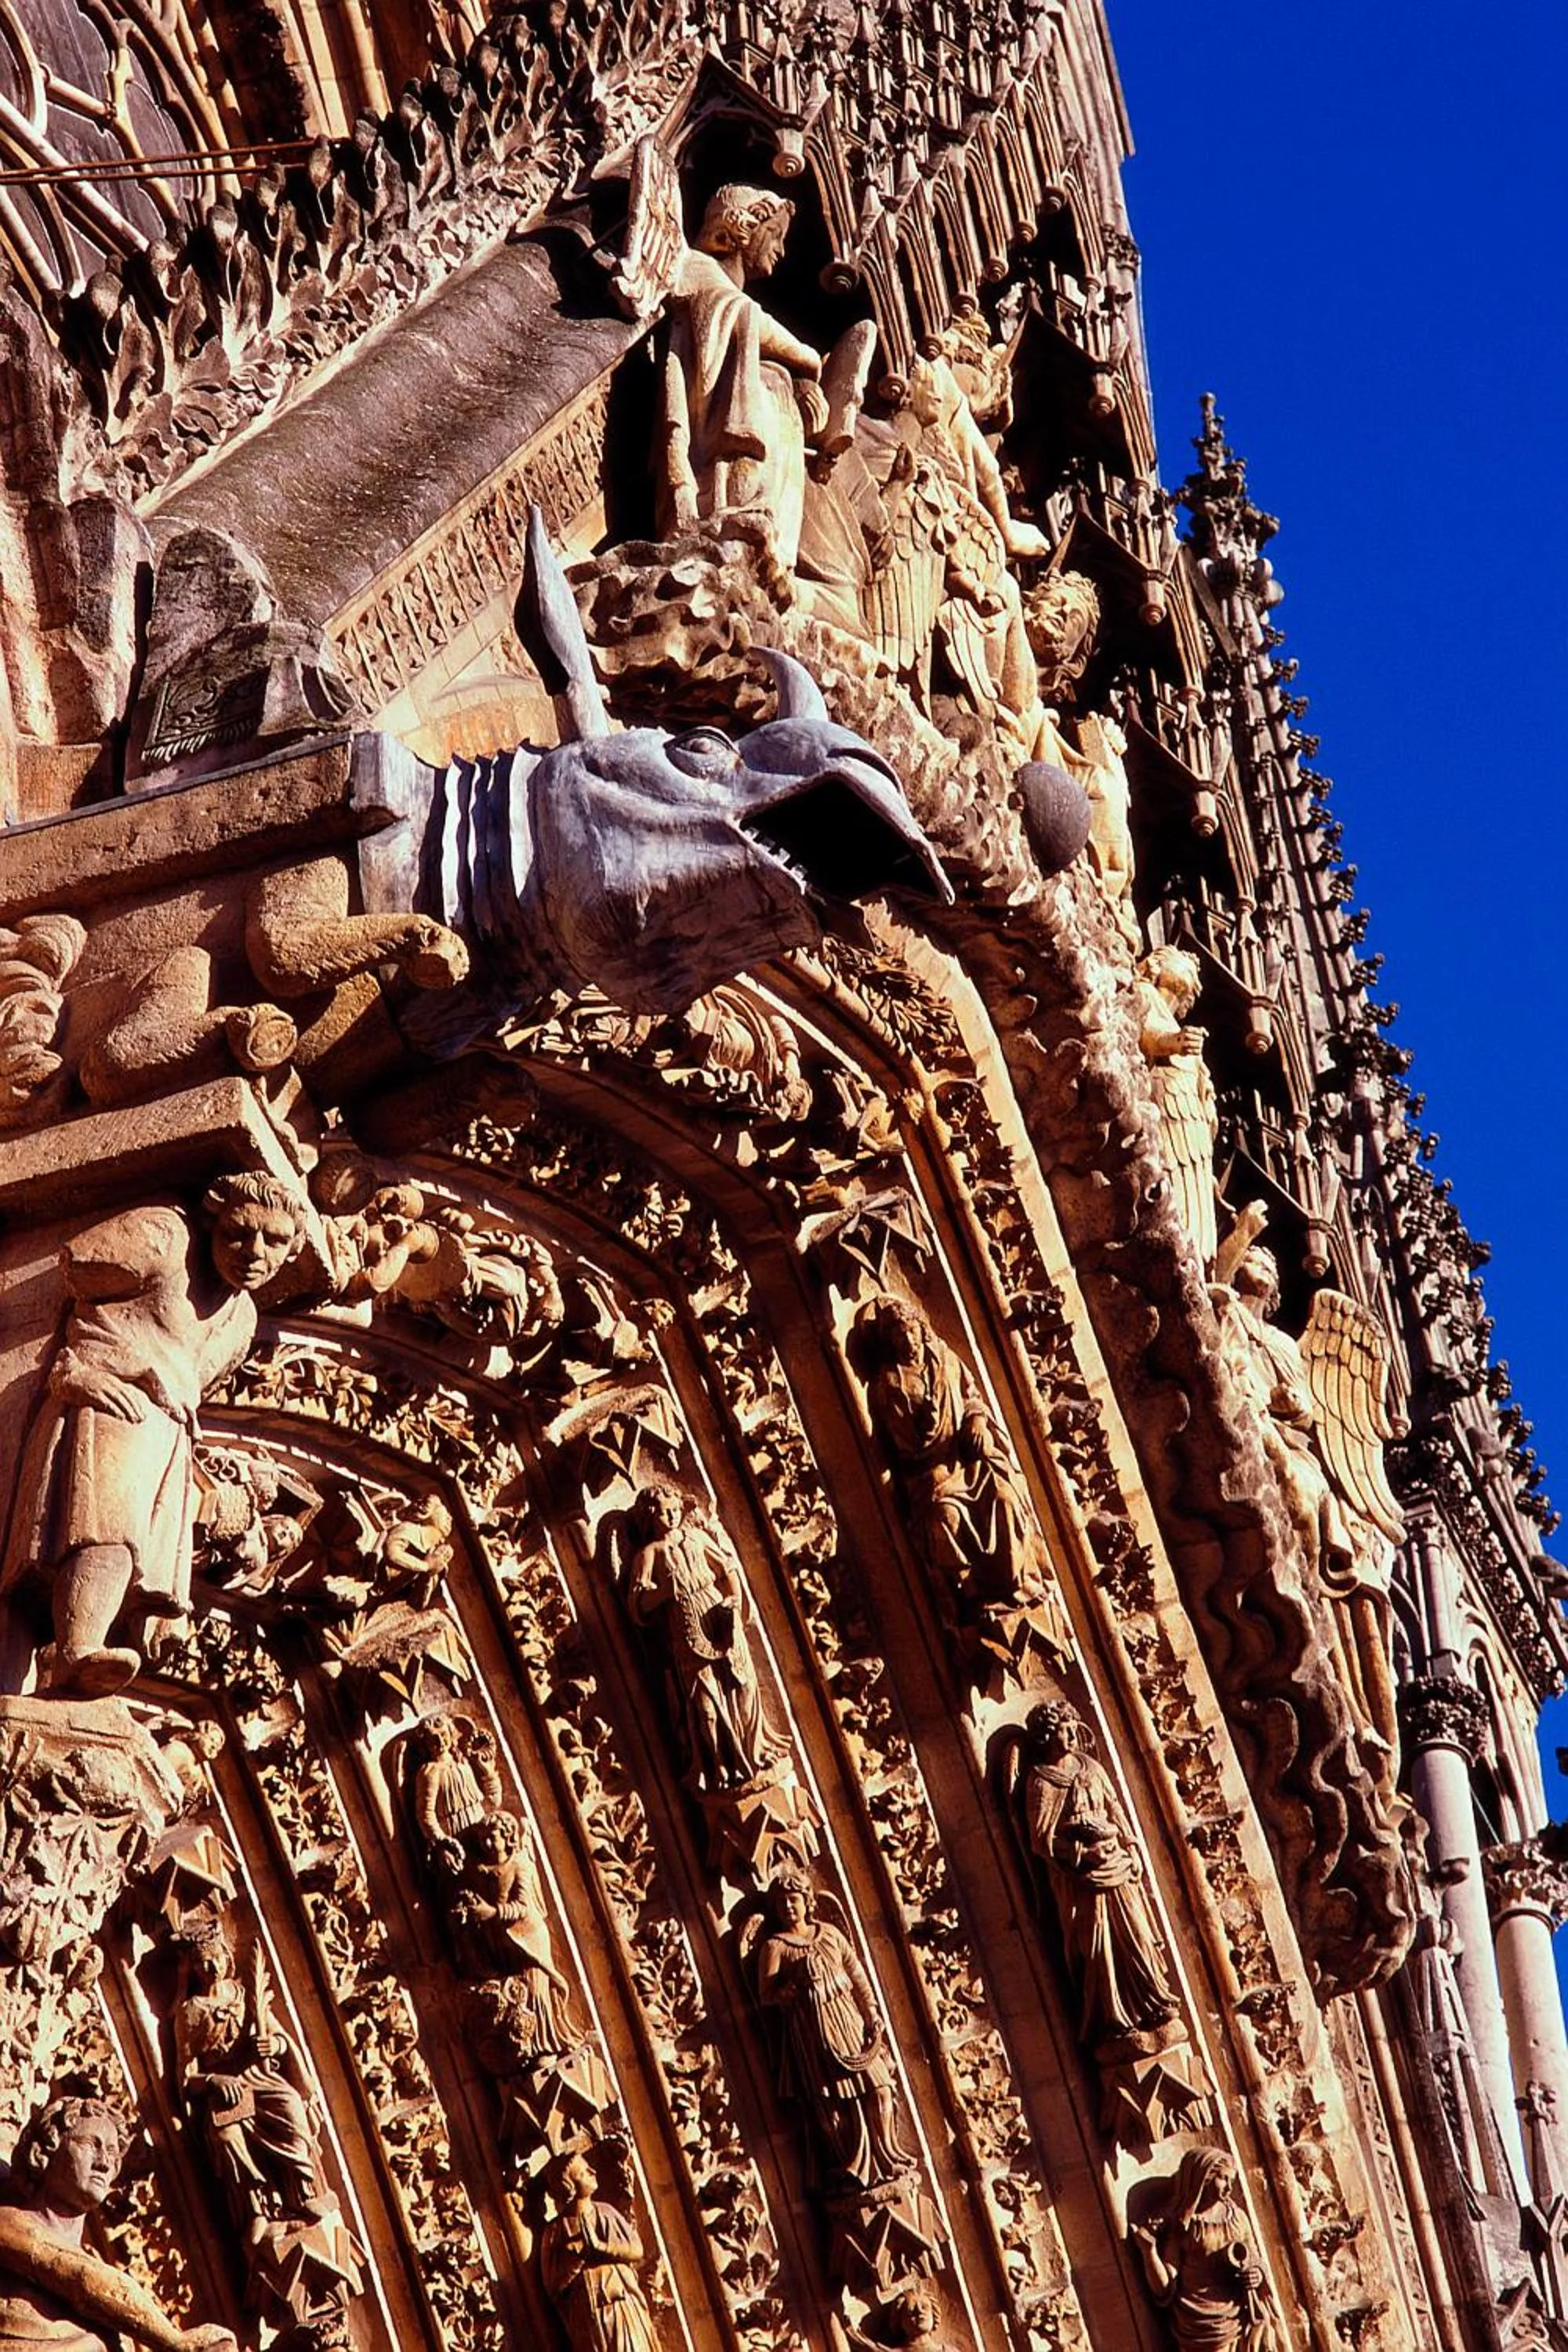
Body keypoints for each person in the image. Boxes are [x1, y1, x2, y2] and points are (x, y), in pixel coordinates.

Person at [2, 1177, 305, 1693]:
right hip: (109, 1395)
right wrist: (115, 1363)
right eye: (238, 1233)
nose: (254, 1252)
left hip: (168, 1429)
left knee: (138, 1557)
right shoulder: (167, 1234)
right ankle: (78, 1649)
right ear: (212, 1221)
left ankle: (76, 1660)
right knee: (105, 1531)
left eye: (274, 1241)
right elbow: (76, 1263)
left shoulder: (244, 1318)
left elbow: (196, 1378)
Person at [0, 2092, 235, 2352]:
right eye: (90, 2144)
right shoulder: (9, 2220)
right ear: (41, 2154)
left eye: (113, 2154)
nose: (104, 2163)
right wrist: (174, 2341)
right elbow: (82, 2278)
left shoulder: (93, 2258)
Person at [753, 1868, 913, 2190]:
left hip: (849, 2023)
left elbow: (857, 1976)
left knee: (880, 2089)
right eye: (782, 1902)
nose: (789, 1907)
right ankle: (850, 2166)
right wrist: (789, 1991)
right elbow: (766, 1993)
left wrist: (871, 2013)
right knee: (835, 2105)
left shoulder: (829, 1934)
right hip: (813, 2035)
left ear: (807, 1901)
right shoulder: (776, 1947)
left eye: (794, 1900)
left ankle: (888, 2154)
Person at [625, 1486, 779, 1791]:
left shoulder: (695, 1538)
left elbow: (726, 1566)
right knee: (705, 1706)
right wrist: (661, 1594)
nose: (671, 1515)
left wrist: (734, 1598)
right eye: (663, 1511)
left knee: (743, 1686)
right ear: (651, 1516)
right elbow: (637, 1603)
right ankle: (719, 1764)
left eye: (674, 1508)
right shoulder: (649, 1554)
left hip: (717, 1615)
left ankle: (755, 1750)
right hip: (686, 1630)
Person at [539, 2151, 659, 2352]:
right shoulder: (555, 2230)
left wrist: (601, 2247)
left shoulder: (605, 2211)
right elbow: (552, 2284)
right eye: (584, 2173)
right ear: (569, 2186)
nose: (593, 2171)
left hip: (620, 2301)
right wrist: (578, 2258)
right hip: (587, 2311)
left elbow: (636, 2250)